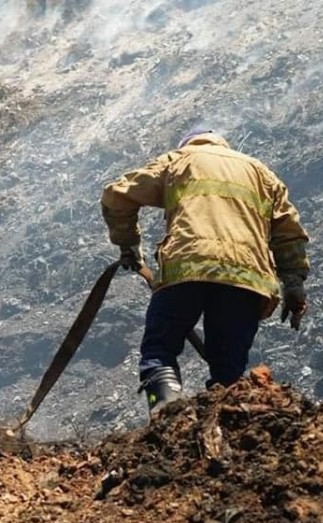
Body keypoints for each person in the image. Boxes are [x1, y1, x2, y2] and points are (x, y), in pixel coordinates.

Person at [100, 127, 310, 416]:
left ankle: (164, 413)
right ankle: (229, 428)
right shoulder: (262, 173)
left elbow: (117, 196)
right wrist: (294, 283)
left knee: (159, 351)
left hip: (187, 268)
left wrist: (129, 246)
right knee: (229, 370)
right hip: (246, 278)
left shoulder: (179, 159)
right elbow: (289, 233)